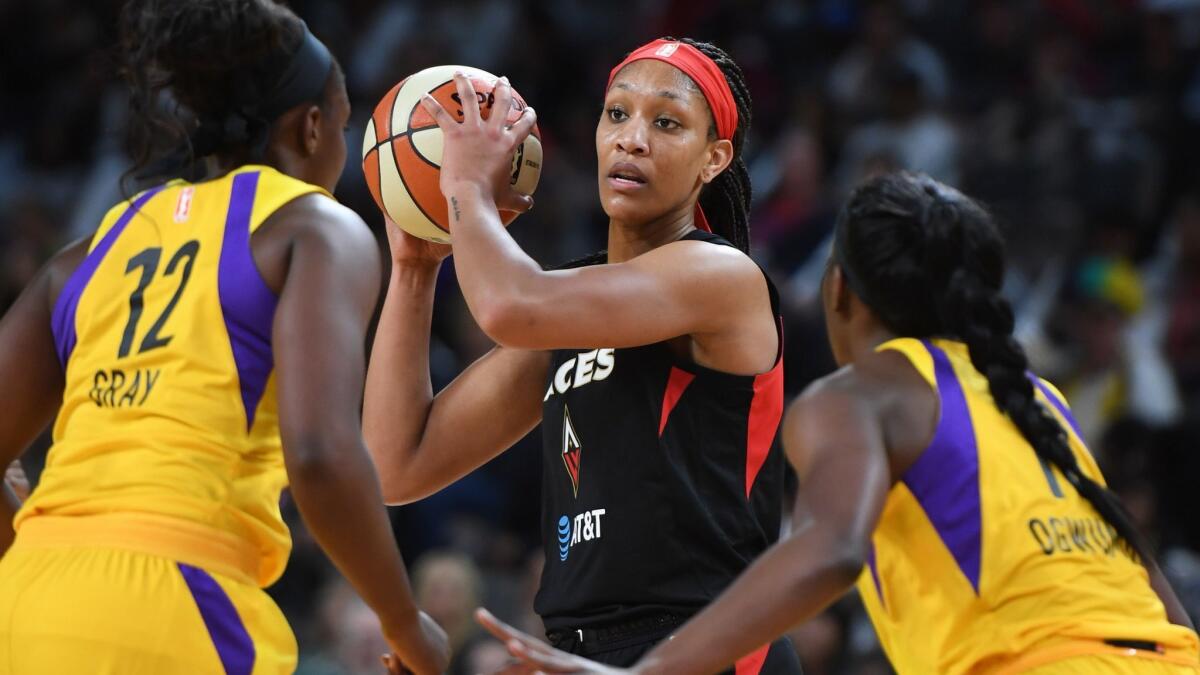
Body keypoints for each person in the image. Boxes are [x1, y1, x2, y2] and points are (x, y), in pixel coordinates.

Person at [477, 173, 1200, 674]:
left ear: (839, 290)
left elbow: (832, 550)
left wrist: (652, 668)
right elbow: (1160, 598)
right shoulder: (1040, 399)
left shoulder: (858, 394)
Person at [0, 1, 448, 673]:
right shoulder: (314, 228)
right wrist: (405, 622)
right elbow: (321, 453)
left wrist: (35, 540)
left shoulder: (88, 250)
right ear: (314, 125)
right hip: (181, 599)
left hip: (27, 603)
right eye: (346, 127)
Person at [365, 38, 801, 673]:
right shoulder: (571, 304)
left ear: (714, 159)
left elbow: (508, 305)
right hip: (579, 650)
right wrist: (413, 270)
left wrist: (462, 185)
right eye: (617, 114)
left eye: (667, 122)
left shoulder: (719, 276)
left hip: (708, 644)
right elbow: (396, 465)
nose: (632, 139)